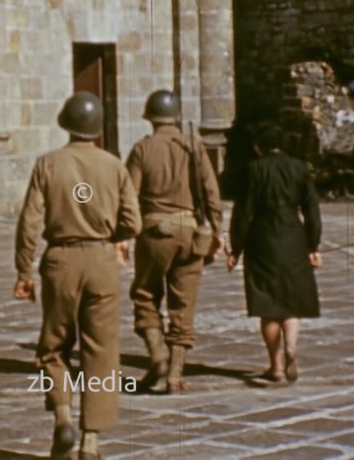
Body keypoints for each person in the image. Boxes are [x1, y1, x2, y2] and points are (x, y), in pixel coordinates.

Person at [14, 92, 142, 460]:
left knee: (53, 345)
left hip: (60, 261)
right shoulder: (113, 165)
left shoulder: (47, 164)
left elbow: (29, 223)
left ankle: (62, 416)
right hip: (101, 260)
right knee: (100, 351)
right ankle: (91, 442)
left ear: (65, 124)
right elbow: (133, 220)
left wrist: (24, 269)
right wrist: (113, 238)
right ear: (98, 128)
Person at [125, 90, 223, 394]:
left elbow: (128, 195)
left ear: (151, 118)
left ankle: (157, 357)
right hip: (191, 234)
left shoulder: (142, 149)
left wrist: (124, 232)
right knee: (184, 304)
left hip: (154, 232)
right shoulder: (194, 146)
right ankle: (176, 375)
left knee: (145, 295)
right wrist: (217, 233)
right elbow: (211, 193)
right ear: (176, 117)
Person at [227, 121, 322, 383]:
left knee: (268, 303)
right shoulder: (299, 168)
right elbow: (312, 211)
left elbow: (243, 212)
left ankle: (276, 366)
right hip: (293, 236)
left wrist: (235, 248)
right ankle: (292, 346)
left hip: (263, 238)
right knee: (291, 300)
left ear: (259, 146)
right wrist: (313, 245)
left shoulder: (253, 169)